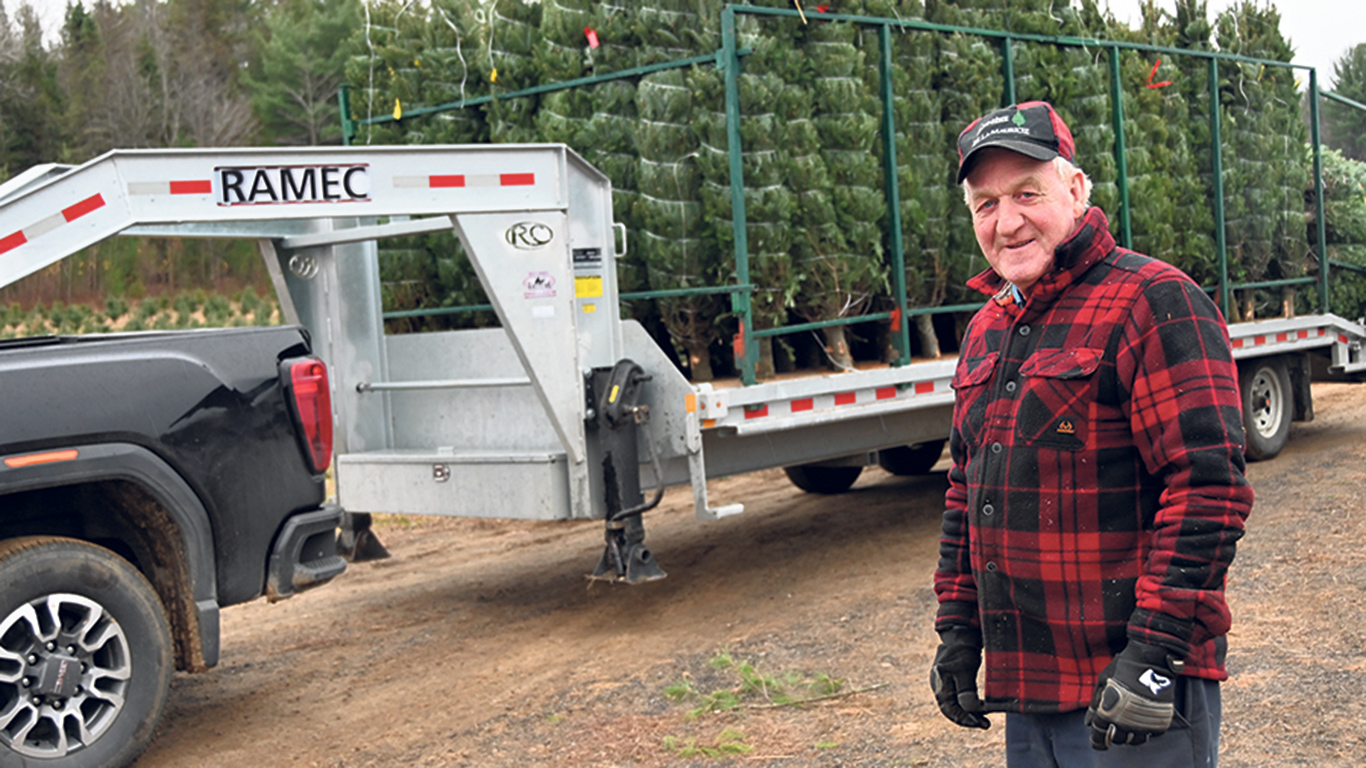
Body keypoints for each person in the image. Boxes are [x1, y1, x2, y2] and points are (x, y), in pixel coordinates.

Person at [929, 101, 1254, 768]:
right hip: (1029, 693)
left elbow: (1208, 488)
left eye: (1027, 193)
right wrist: (958, 631)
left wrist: (1154, 652)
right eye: (986, 203)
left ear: (1075, 190)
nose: (1007, 220)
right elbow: (968, 490)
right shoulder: (988, 328)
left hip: (1131, 697)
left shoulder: (1153, 301)